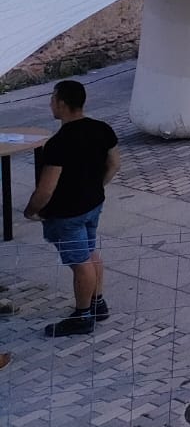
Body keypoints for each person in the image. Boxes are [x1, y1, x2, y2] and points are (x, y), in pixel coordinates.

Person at [23, 79, 120, 337]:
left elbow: (45, 190)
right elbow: (113, 164)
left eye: (53, 99)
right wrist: (95, 186)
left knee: (80, 263)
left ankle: (83, 315)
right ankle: (98, 304)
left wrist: (31, 211)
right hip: (93, 205)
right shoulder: (102, 129)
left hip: (68, 215)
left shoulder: (58, 144)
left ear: (62, 104)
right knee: (89, 253)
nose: (51, 104)